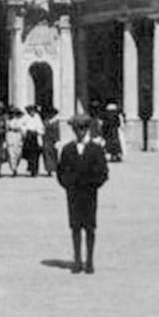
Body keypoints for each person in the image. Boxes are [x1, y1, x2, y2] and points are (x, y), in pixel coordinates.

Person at [56, 114, 109, 274]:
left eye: (83, 128)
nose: (80, 131)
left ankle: (90, 261)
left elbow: (103, 172)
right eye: (77, 128)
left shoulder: (96, 149)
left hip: (89, 193)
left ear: (87, 129)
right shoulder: (67, 149)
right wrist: (67, 185)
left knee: (90, 227)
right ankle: (78, 260)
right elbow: (60, 171)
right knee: (75, 227)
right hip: (73, 193)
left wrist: (93, 184)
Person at [21, 105, 45, 177]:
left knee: (36, 155)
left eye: (33, 111)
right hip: (28, 137)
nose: (32, 113)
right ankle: (31, 168)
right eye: (31, 111)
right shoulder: (25, 117)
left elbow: (41, 127)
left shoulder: (37, 117)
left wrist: (38, 131)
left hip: (36, 137)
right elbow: (22, 126)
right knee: (29, 155)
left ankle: (35, 170)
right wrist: (26, 130)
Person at [5, 106, 26, 176]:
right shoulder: (7, 121)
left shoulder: (20, 120)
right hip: (10, 135)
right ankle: (13, 168)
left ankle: (16, 166)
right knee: (11, 153)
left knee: (18, 153)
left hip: (18, 136)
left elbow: (23, 129)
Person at [40, 106, 60, 177]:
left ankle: (54, 169)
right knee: (46, 155)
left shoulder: (56, 122)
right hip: (46, 140)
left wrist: (57, 141)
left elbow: (57, 132)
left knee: (53, 155)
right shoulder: (45, 121)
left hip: (53, 141)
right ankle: (49, 170)